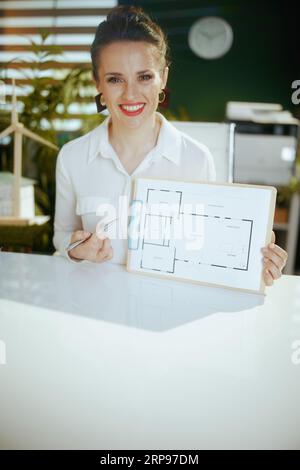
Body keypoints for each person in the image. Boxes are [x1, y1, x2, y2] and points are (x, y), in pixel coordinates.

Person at [53, 5, 287, 287]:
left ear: (163, 77)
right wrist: (76, 250)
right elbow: (62, 234)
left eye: (145, 77)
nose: (130, 94)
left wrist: (253, 261)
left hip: (168, 313)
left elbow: (212, 247)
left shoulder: (197, 160)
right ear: (98, 84)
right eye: (115, 79)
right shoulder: (73, 157)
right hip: (95, 305)